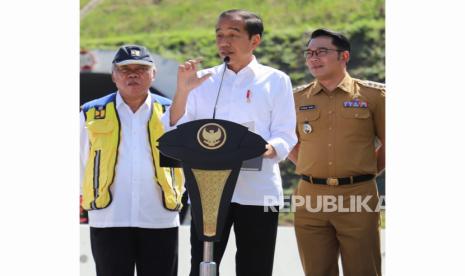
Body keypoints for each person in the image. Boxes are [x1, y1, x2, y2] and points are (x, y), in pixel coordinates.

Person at [169, 9, 297, 276]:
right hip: (208, 192)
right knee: (201, 267)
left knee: (256, 267)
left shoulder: (275, 80)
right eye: (219, 35)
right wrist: (182, 91)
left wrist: (265, 148)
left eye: (232, 34)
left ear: (255, 40)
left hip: (259, 192)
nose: (224, 41)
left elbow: (286, 134)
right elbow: (177, 128)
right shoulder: (200, 80)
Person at [80, 44, 184, 276]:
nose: (133, 74)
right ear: (114, 75)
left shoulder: (171, 111)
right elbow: (79, 162)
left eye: (141, 68)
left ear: (153, 74)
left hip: (159, 216)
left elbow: (184, 160)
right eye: (125, 69)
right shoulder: (91, 112)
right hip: (109, 217)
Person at [288, 28, 385, 276]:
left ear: (344, 56)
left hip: (357, 196)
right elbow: (288, 140)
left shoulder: (374, 95)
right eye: (309, 53)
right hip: (309, 197)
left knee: (363, 270)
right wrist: (311, 168)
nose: (313, 58)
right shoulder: (295, 99)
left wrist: (365, 170)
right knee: (316, 271)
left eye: (321, 52)